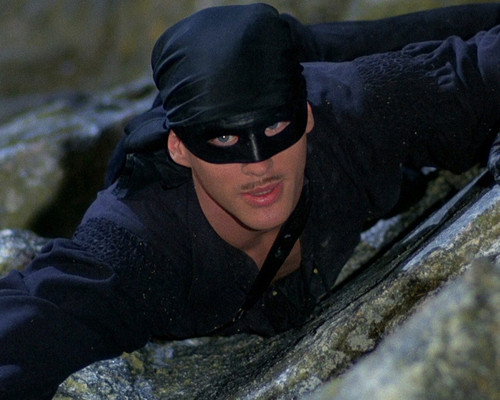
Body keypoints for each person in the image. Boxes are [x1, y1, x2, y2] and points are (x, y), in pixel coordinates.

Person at [1, 3, 500, 399]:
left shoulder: (349, 109)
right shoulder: (142, 242)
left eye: (276, 128)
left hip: (310, 63)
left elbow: (481, 70)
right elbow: (34, 320)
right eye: (225, 141)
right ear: (180, 149)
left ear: (306, 116)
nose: (260, 165)